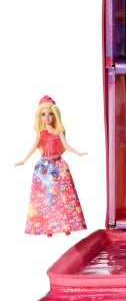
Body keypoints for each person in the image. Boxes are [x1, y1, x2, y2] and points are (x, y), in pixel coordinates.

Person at [15, 95, 87, 236]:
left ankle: (66, 225)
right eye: (43, 114)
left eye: (50, 114)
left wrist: (78, 153)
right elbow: (33, 147)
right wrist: (23, 160)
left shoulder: (59, 131)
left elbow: (66, 146)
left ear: (55, 115)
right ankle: (48, 227)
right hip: (44, 169)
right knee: (46, 197)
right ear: (40, 117)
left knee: (64, 195)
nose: (47, 117)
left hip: (59, 166)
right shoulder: (41, 134)